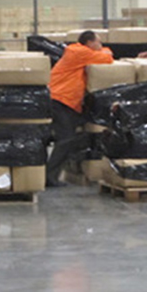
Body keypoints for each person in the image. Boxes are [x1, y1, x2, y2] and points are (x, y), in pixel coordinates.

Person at [47, 30, 114, 187]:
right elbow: (107, 58)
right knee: (66, 139)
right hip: (61, 100)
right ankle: (49, 177)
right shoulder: (79, 52)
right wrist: (105, 51)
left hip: (67, 101)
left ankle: (53, 174)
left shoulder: (80, 53)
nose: (101, 45)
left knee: (71, 137)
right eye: (98, 42)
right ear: (89, 43)